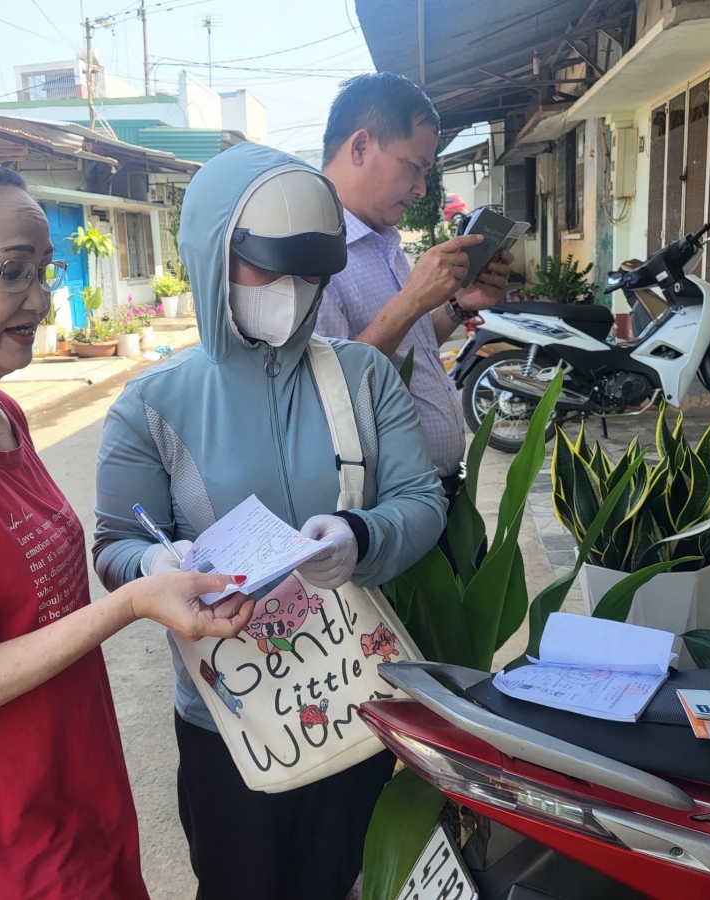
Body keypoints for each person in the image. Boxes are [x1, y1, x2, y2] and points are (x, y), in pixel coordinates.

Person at [0, 152, 253, 900]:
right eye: (11, 270)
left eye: (44, 270)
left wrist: (153, 575)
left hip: (76, 791)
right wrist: (128, 605)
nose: (39, 298)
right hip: (4, 843)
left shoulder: (4, 416)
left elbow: (43, 603)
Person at [93, 142, 447, 900]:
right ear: (213, 253)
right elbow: (115, 544)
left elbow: (422, 499)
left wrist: (362, 538)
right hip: (229, 712)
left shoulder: (362, 376)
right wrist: (156, 568)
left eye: (312, 271)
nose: (291, 289)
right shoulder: (153, 406)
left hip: (349, 689)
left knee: (343, 877)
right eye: (267, 266)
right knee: (238, 883)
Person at [318, 72, 513, 494]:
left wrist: (460, 305)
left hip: (437, 493)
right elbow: (330, 389)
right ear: (361, 146)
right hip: (388, 509)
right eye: (414, 166)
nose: (422, 188)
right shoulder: (314, 253)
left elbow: (410, 346)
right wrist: (411, 300)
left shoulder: (383, 241)